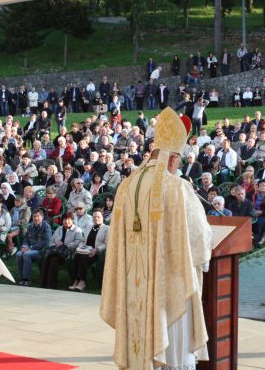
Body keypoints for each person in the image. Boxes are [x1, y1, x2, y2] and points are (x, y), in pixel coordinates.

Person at [101, 107, 212, 369]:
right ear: (173, 159)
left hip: (132, 287)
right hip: (171, 288)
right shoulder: (177, 187)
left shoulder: (126, 186)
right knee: (172, 354)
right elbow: (200, 238)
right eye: (179, 161)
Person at [68, 209, 109, 292]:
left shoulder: (107, 228)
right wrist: (79, 248)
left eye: (98, 217)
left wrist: (96, 249)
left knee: (83, 259)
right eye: (94, 217)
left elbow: (106, 243)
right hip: (84, 250)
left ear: (102, 217)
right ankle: (76, 281)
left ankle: (82, 282)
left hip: (95, 252)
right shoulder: (89, 226)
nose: (96, 219)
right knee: (75, 257)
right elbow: (83, 240)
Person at [39, 214, 83, 290]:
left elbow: (78, 242)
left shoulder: (77, 230)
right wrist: (56, 244)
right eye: (64, 220)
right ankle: (46, 284)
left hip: (68, 252)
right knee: (52, 259)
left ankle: (50, 285)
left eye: (68, 219)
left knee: (50, 257)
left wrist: (65, 245)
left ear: (72, 220)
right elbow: (51, 241)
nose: (66, 221)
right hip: (56, 251)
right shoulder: (59, 229)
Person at [16, 209, 52, 287]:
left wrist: (30, 248)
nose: (36, 218)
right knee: (19, 254)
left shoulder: (46, 227)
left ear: (42, 217)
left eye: (38, 216)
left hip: (40, 251)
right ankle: (20, 278)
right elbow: (26, 238)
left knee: (26, 254)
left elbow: (46, 242)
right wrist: (24, 246)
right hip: (29, 249)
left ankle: (27, 279)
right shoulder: (31, 226)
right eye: (34, 216)